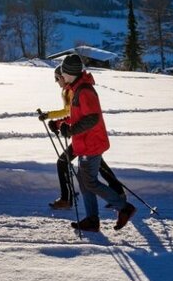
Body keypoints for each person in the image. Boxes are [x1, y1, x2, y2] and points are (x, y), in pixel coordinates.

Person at [47, 54, 136, 233]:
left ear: (69, 73)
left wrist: (70, 130)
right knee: (84, 180)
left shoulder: (85, 91)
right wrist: (59, 123)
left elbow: (92, 118)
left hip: (91, 144)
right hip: (84, 143)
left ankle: (124, 207)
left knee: (90, 182)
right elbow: (77, 116)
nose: (61, 75)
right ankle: (92, 220)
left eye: (63, 72)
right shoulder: (77, 89)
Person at [38, 66, 126, 212]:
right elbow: (73, 114)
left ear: (64, 76)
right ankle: (119, 194)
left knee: (62, 163)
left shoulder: (75, 91)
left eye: (57, 78)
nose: (56, 82)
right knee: (99, 166)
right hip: (86, 137)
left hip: (86, 137)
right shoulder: (71, 89)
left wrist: (53, 119)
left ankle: (67, 199)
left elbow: (77, 115)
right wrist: (57, 122)